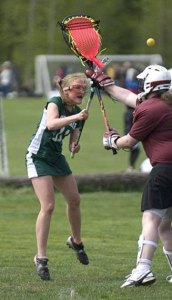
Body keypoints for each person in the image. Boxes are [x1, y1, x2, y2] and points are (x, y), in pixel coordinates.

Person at [86, 65, 172, 288]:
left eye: (143, 81)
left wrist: (112, 141)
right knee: (164, 224)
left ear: (150, 84)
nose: (139, 85)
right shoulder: (166, 104)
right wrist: (105, 83)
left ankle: (143, 269)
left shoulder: (151, 109)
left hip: (166, 170)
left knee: (150, 218)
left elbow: (129, 142)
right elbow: (128, 97)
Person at [25, 73, 90, 281]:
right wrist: (76, 118)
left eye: (84, 88)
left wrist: (74, 145)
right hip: (38, 156)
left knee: (74, 200)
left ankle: (76, 242)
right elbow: (52, 124)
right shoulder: (54, 102)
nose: (82, 91)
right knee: (49, 205)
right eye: (77, 87)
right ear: (66, 90)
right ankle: (41, 258)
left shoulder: (79, 113)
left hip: (56, 157)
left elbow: (73, 140)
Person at [124, 106, 140, 171]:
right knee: (135, 149)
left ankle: (131, 167)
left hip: (131, 133)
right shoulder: (132, 114)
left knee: (135, 149)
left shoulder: (128, 113)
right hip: (132, 134)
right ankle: (131, 167)